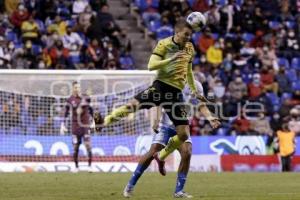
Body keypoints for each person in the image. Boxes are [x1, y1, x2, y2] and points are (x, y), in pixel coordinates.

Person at [102, 19, 220, 174]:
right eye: (186, 35)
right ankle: (104, 121)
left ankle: (162, 156)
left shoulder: (190, 48)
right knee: (132, 105)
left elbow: (189, 71)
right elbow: (151, 65)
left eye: (190, 35)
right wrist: (171, 59)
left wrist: (194, 90)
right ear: (177, 32)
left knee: (184, 134)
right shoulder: (164, 44)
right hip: (160, 87)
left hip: (175, 93)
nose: (188, 38)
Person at [123, 81, 217, 198]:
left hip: (182, 127)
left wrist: (210, 118)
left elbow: (201, 105)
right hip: (165, 126)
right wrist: (156, 120)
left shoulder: (197, 86)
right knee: (152, 152)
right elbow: (159, 102)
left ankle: (179, 191)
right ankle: (130, 185)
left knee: (187, 152)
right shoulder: (171, 82)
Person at [60, 81, 95, 173]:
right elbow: (66, 113)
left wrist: (93, 121)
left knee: (88, 145)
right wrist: (62, 124)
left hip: (85, 126)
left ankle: (90, 166)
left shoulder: (86, 98)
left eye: (79, 87)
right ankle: (76, 167)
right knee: (76, 147)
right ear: (73, 88)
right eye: (76, 87)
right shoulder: (70, 100)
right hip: (75, 126)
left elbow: (91, 109)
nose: (77, 89)